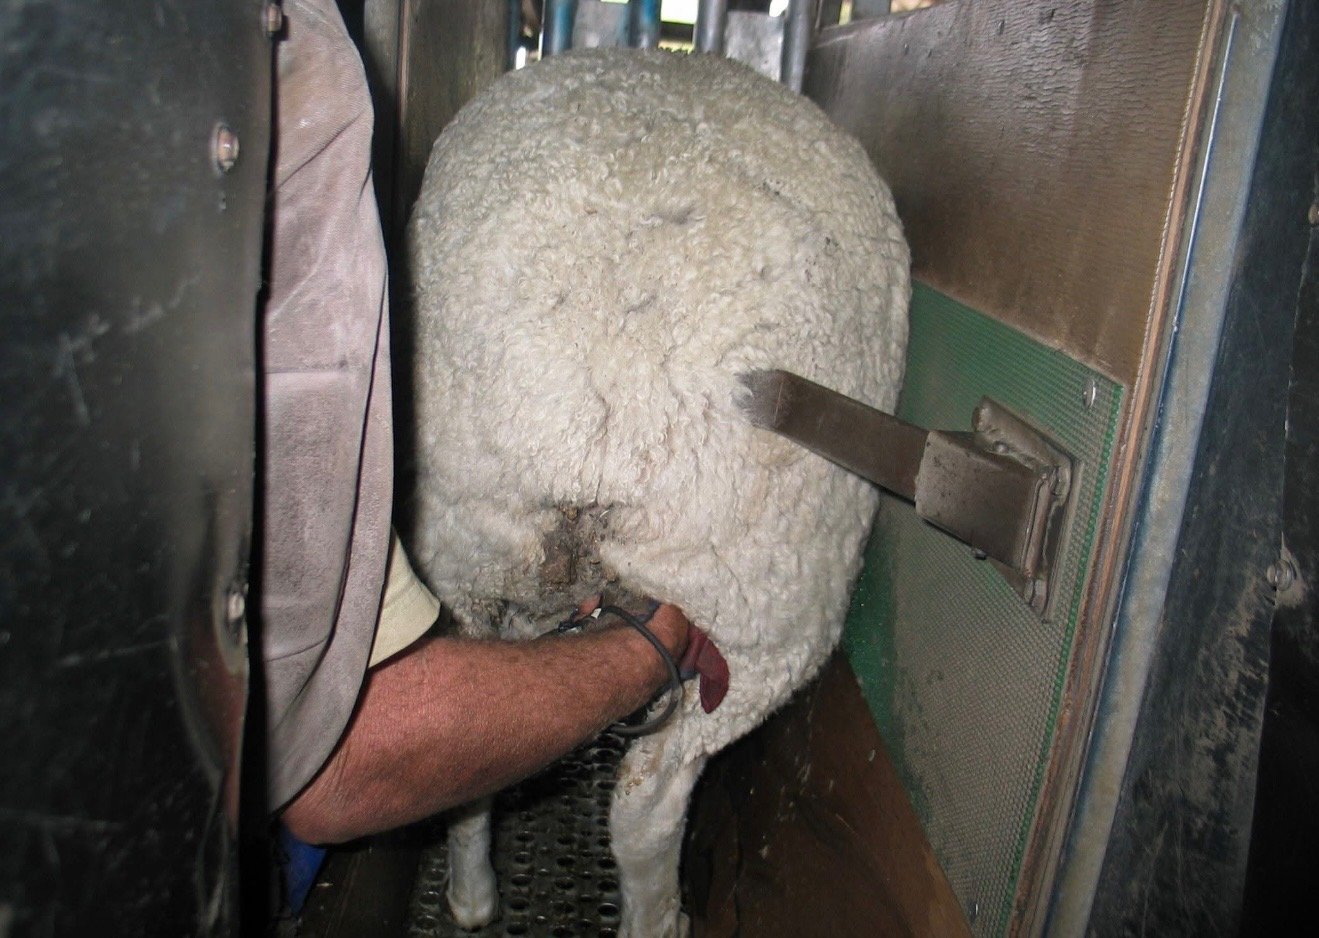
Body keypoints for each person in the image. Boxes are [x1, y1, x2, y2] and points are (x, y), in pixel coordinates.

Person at [261, 0, 691, 845]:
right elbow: (341, 762)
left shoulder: (281, 57)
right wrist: (659, 641)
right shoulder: (291, 61)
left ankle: (468, 875)